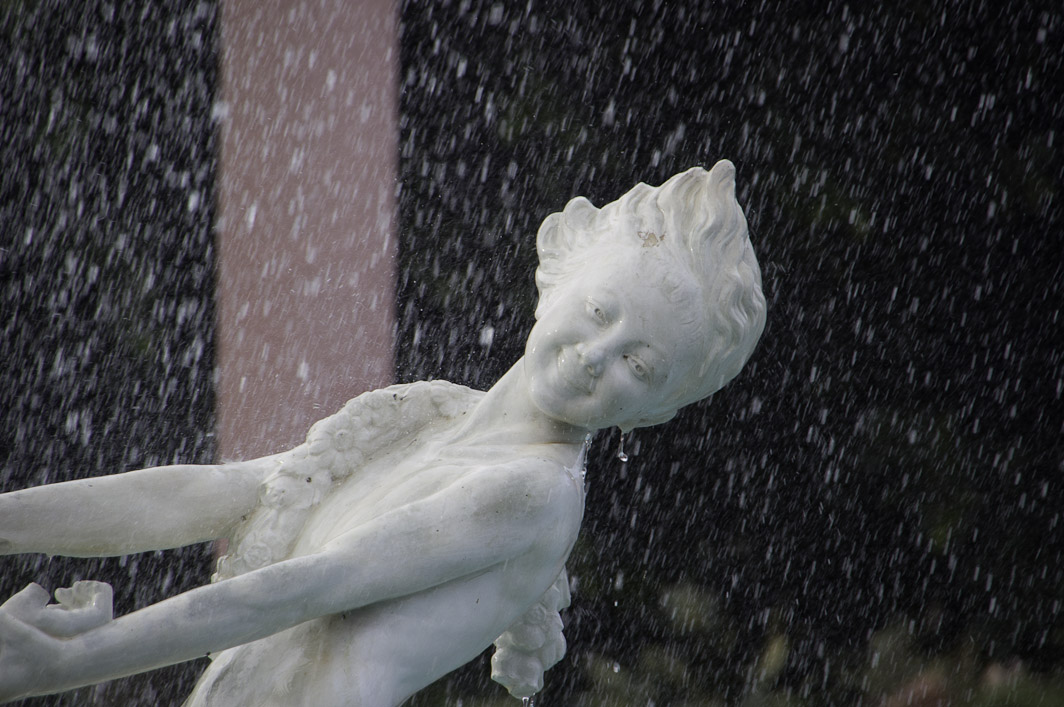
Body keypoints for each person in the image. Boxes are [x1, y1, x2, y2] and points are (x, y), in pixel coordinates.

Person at [0, 160, 766, 706]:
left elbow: (309, 585)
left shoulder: (534, 493)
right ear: (558, 276)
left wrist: (70, 658)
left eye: (640, 363)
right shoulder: (435, 413)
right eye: (600, 312)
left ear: (653, 412)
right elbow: (217, 492)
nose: (595, 357)